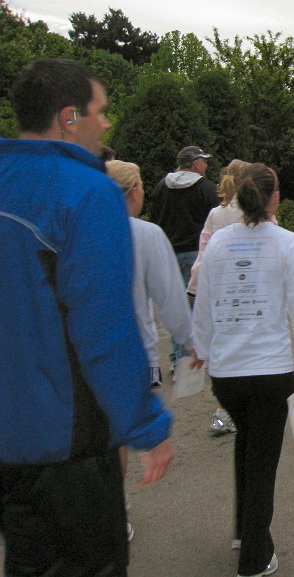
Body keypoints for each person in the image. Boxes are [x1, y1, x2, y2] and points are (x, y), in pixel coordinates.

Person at [0, 59, 174, 575]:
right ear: (68, 117)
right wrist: (146, 425)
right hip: (67, 440)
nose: (107, 123)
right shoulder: (87, 191)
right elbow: (103, 329)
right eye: (99, 111)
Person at [193, 163, 294, 577]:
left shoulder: (218, 243)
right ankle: (254, 556)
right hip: (269, 371)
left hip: (228, 374)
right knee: (263, 459)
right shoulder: (286, 244)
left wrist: (202, 347)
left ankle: (243, 529)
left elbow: (204, 300)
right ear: (273, 198)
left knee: (246, 445)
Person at [107, 160, 195, 391]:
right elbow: (170, 299)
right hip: (137, 350)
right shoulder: (147, 235)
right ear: (134, 192)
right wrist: (191, 342)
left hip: (89, 353)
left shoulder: (77, 231)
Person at [185, 158, 257, 435]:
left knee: (224, 352)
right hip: (247, 290)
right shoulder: (254, 213)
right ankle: (239, 409)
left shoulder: (217, 214)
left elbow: (204, 254)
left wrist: (195, 288)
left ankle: (222, 411)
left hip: (218, 291)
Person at [149, 143, 220, 375]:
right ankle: (190, 359)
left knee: (176, 307)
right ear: (196, 163)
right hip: (195, 253)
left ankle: (178, 356)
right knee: (196, 307)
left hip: (168, 252)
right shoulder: (206, 189)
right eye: (204, 161)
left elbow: (155, 219)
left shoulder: (161, 188)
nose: (207, 165)